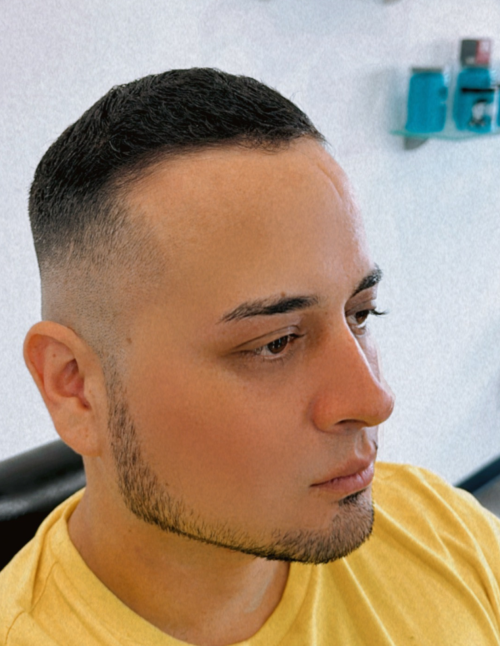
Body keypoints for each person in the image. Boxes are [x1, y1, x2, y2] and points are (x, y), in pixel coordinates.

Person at [1, 68, 500, 646]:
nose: (374, 400)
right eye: (275, 343)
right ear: (75, 387)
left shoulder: (442, 528)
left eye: (361, 314)